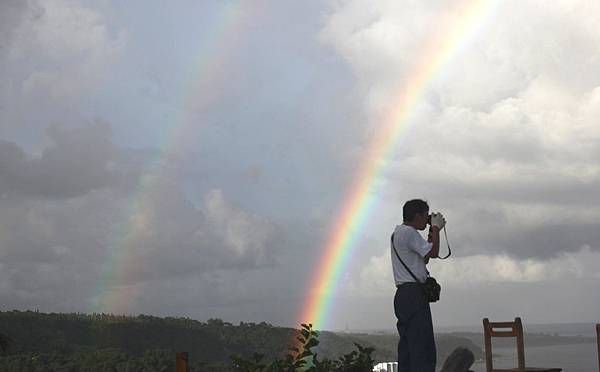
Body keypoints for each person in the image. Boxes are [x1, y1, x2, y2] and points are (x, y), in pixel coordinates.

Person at [391, 199, 446, 372]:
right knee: (422, 346)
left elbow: (424, 257)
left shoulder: (397, 233)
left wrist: (431, 232)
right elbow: (434, 253)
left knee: (408, 346)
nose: (427, 219)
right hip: (414, 294)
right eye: (425, 216)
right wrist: (436, 228)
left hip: (403, 295)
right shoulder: (409, 233)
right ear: (417, 215)